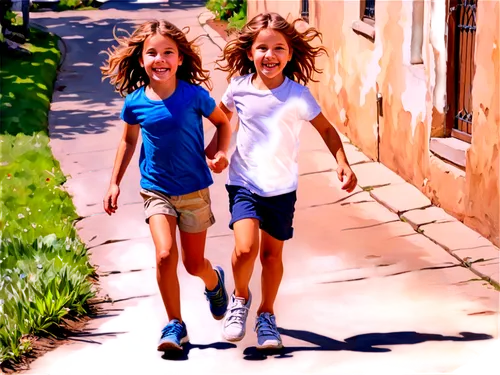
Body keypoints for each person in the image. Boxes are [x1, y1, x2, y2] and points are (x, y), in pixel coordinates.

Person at [205, 12, 358, 349]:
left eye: (278, 48)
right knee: (245, 249)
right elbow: (222, 121)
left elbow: (328, 131)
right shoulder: (239, 88)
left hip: (281, 187)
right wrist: (215, 152)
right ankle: (240, 297)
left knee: (271, 257)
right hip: (244, 182)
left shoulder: (298, 95)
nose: (269, 55)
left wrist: (342, 161)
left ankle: (266, 314)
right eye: (262, 48)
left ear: (290, 54)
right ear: (249, 53)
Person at [100, 20, 232, 352]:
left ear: (180, 59)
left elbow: (223, 122)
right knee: (164, 255)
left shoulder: (194, 96)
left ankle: (213, 281)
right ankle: (175, 325)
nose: (160, 59)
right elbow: (128, 142)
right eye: (153, 53)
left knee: (193, 264)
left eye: (168, 53)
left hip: (194, 190)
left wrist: (217, 154)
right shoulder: (135, 103)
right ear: (141, 60)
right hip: (155, 189)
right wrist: (114, 183)